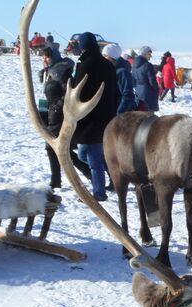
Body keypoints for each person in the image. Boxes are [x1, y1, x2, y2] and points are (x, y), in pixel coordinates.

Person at [71, 32, 117, 202]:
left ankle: (99, 192)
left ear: (83, 46)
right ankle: (113, 176)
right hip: (106, 116)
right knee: (84, 154)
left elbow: (80, 92)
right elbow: (115, 92)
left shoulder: (86, 65)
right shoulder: (108, 65)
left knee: (93, 157)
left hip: (90, 118)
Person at [39, 46, 92, 190]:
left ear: (54, 56)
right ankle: (61, 178)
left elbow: (68, 92)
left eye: (47, 57)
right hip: (49, 113)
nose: (44, 59)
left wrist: (58, 106)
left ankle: (57, 180)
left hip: (59, 115)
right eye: (43, 57)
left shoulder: (61, 71)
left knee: (54, 148)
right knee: (59, 148)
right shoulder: (49, 70)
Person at [102, 44, 137, 114]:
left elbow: (128, 96)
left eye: (105, 56)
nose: (103, 58)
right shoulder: (112, 69)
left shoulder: (122, 72)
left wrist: (119, 113)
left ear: (113, 57)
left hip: (122, 115)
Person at [132, 46, 160, 111]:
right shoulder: (148, 65)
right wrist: (157, 88)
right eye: (149, 54)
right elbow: (152, 82)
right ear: (144, 54)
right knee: (149, 116)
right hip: (148, 94)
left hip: (138, 93)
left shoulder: (134, 65)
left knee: (140, 114)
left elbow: (133, 81)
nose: (151, 56)